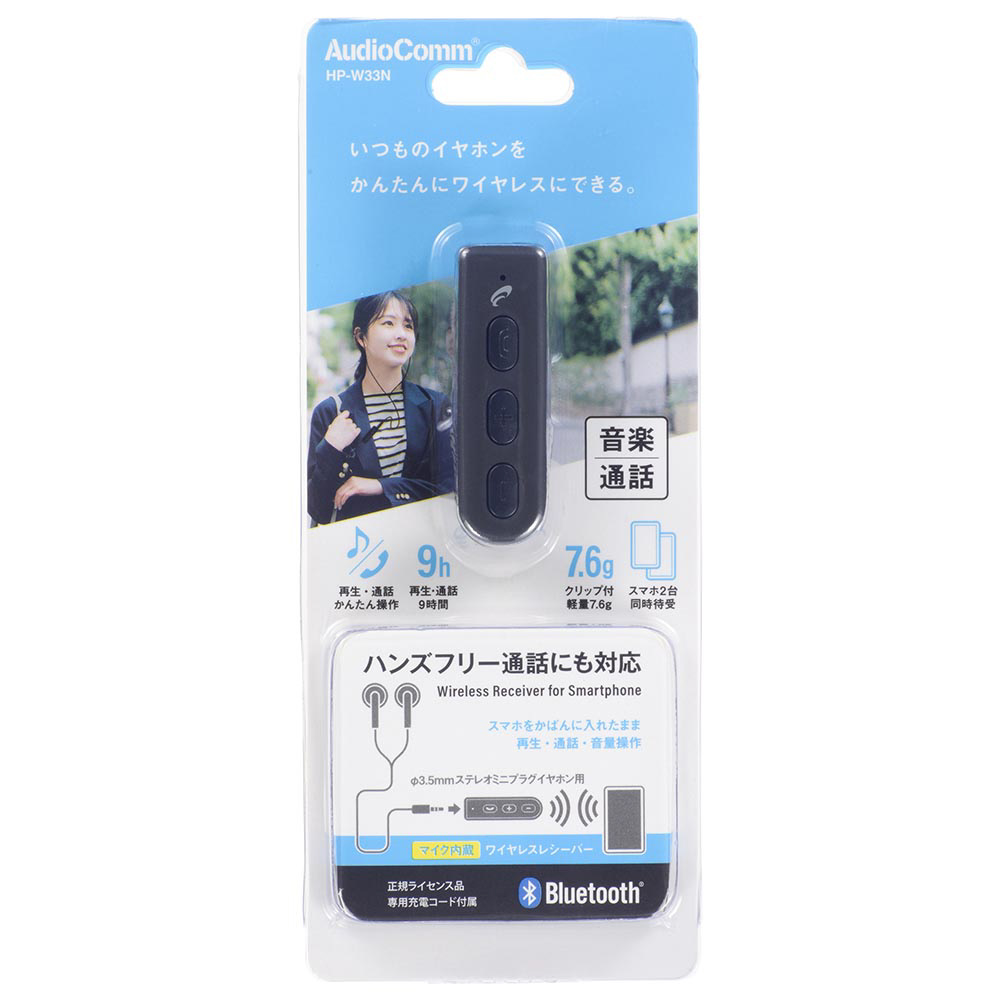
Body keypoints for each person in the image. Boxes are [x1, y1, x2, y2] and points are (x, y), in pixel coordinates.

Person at [307, 291, 454, 525]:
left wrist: (381, 486)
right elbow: (318, 510)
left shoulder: (435, 406)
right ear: (361, 337)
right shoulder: (332, 411)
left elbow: (450, 490)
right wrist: (331, 446)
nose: (401, 334)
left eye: (408, 325)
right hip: (358, 544)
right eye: (388, 323)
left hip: (421, 542)